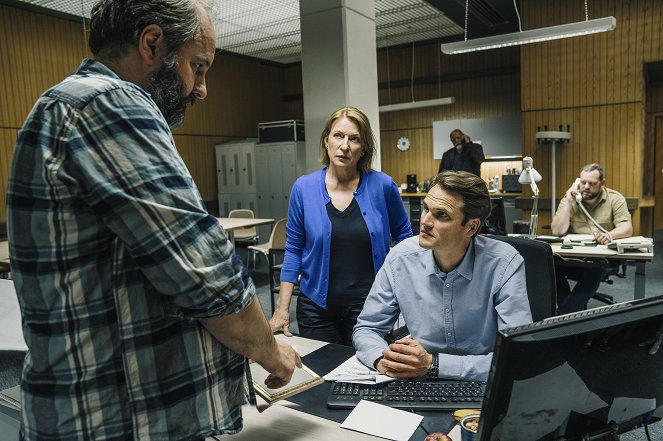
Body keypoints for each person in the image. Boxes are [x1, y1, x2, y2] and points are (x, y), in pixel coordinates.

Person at [6, 0, 300, 439]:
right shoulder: (110, 103)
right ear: (152, 43)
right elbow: (204, 271)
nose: (201, 88)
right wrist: (270, 351)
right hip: (113, 420)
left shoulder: (70, 105)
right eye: (197, 67)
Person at [353, 171, 532, 381]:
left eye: (442, 215)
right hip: (418, 381)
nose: (426, 222)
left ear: (471, 227)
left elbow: (518, 356)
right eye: (426, 209)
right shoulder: (401, 258)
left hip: (483, 383)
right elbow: (367, 329)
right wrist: (383, 360)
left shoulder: (504, 263)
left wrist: (434, 364)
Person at [269, 107, 412, 346]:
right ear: (326, 140)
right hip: (316, 309)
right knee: (323, 376)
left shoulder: (383, 186)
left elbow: (405, 241)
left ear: (363, 147)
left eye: (354, 138)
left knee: (369, 376)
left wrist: (399, 293)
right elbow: (294, 249)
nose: (344, 145)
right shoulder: (303, 189)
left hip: (370, 309)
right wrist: (282, 309)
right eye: (338, 136)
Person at [551, 163, 633, 314]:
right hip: (576, 255)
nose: (586, 186)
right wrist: (569, 202)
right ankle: (569, 309)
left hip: (603, 258)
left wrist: (610, 235)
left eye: (592, 183)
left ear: (602, 183)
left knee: (595, 267)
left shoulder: (614, 199)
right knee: (551, 265)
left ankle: (564, 313)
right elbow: (558, 230)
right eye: (583, 182)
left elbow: (627, 228)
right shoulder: (569, 199)